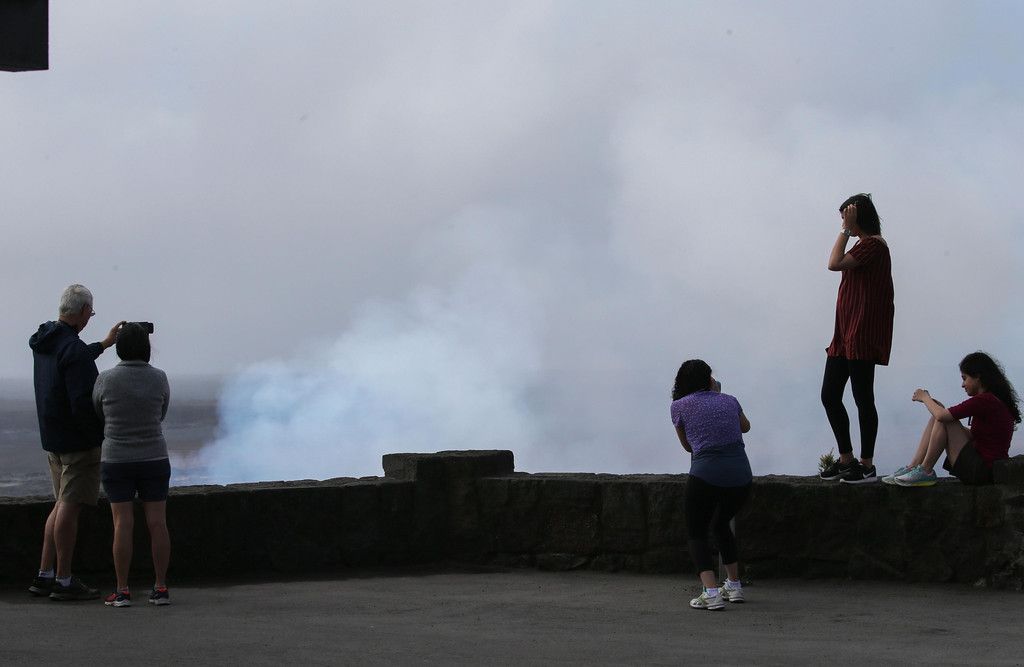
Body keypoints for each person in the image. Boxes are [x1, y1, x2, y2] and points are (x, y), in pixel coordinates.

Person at [28, 284, 121, 600]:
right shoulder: (73, 350)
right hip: (78, 444)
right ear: (83, 311)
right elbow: (82, 401)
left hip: (52, 439)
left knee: (60, 504)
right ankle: (64, 580)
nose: (90, 317)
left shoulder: (46, 340)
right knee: (69, 507)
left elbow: (72, 357)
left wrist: (104, 344)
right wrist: (99, 435)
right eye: (90, 312)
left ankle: (45, 574)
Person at [92, 322, 173, 607]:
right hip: (154, 457)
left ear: (120, 347)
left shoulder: (105, 379)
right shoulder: (159, 377)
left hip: (116, 458)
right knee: (157, 523)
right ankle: (160, 587)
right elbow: (161, 412)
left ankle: (122, 590)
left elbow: (98, 411)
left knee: (122, 523)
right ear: (146, 347)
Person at [819, 193, 894, 484]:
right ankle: (846, 459)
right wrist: (848, 232)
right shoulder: (863, 246)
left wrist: (845, 231)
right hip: (845, 332)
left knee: (863, 398)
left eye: (845, 217)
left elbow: (833, 263)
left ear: (855, 217)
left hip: (862, 332)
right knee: (830, 395)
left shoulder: (873, 245)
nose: (843, 222)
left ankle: (866, 464)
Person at [670, 359, 753, 611]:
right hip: (741, 476)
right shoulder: (729, 400)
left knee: (696, 531)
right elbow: (746, 427)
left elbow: (688, 447)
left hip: (705, 475)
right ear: (709, 379)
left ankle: (711, 592)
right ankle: (734, 586)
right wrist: (717, 396)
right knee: (720, 524)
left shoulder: (678, 406)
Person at [886, 352, 1021, 487]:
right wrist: (943, 416)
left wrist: (924, 397)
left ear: (977, 376)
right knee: (940, 418)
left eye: (965, 378)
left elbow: (942, 416)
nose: (962, 384)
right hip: (985, 470)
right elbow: (978, 436)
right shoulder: (993, 400)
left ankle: (925, 470)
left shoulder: (985, 400)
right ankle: (913, 467)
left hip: (982, 471)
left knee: (944, 419)